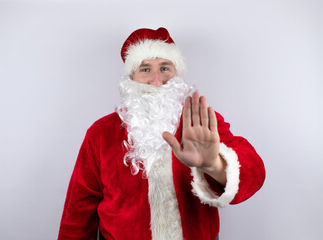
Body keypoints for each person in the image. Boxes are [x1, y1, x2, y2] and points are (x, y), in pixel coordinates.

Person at [58, 27, 265, 240]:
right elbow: (79, 209)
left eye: (165, 68)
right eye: (145, 70)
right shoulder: (101, 133)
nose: (157, 81)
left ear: (177, 74)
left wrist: (214, 165)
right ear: (131, 79)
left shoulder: (201, 122)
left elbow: (254, 171)